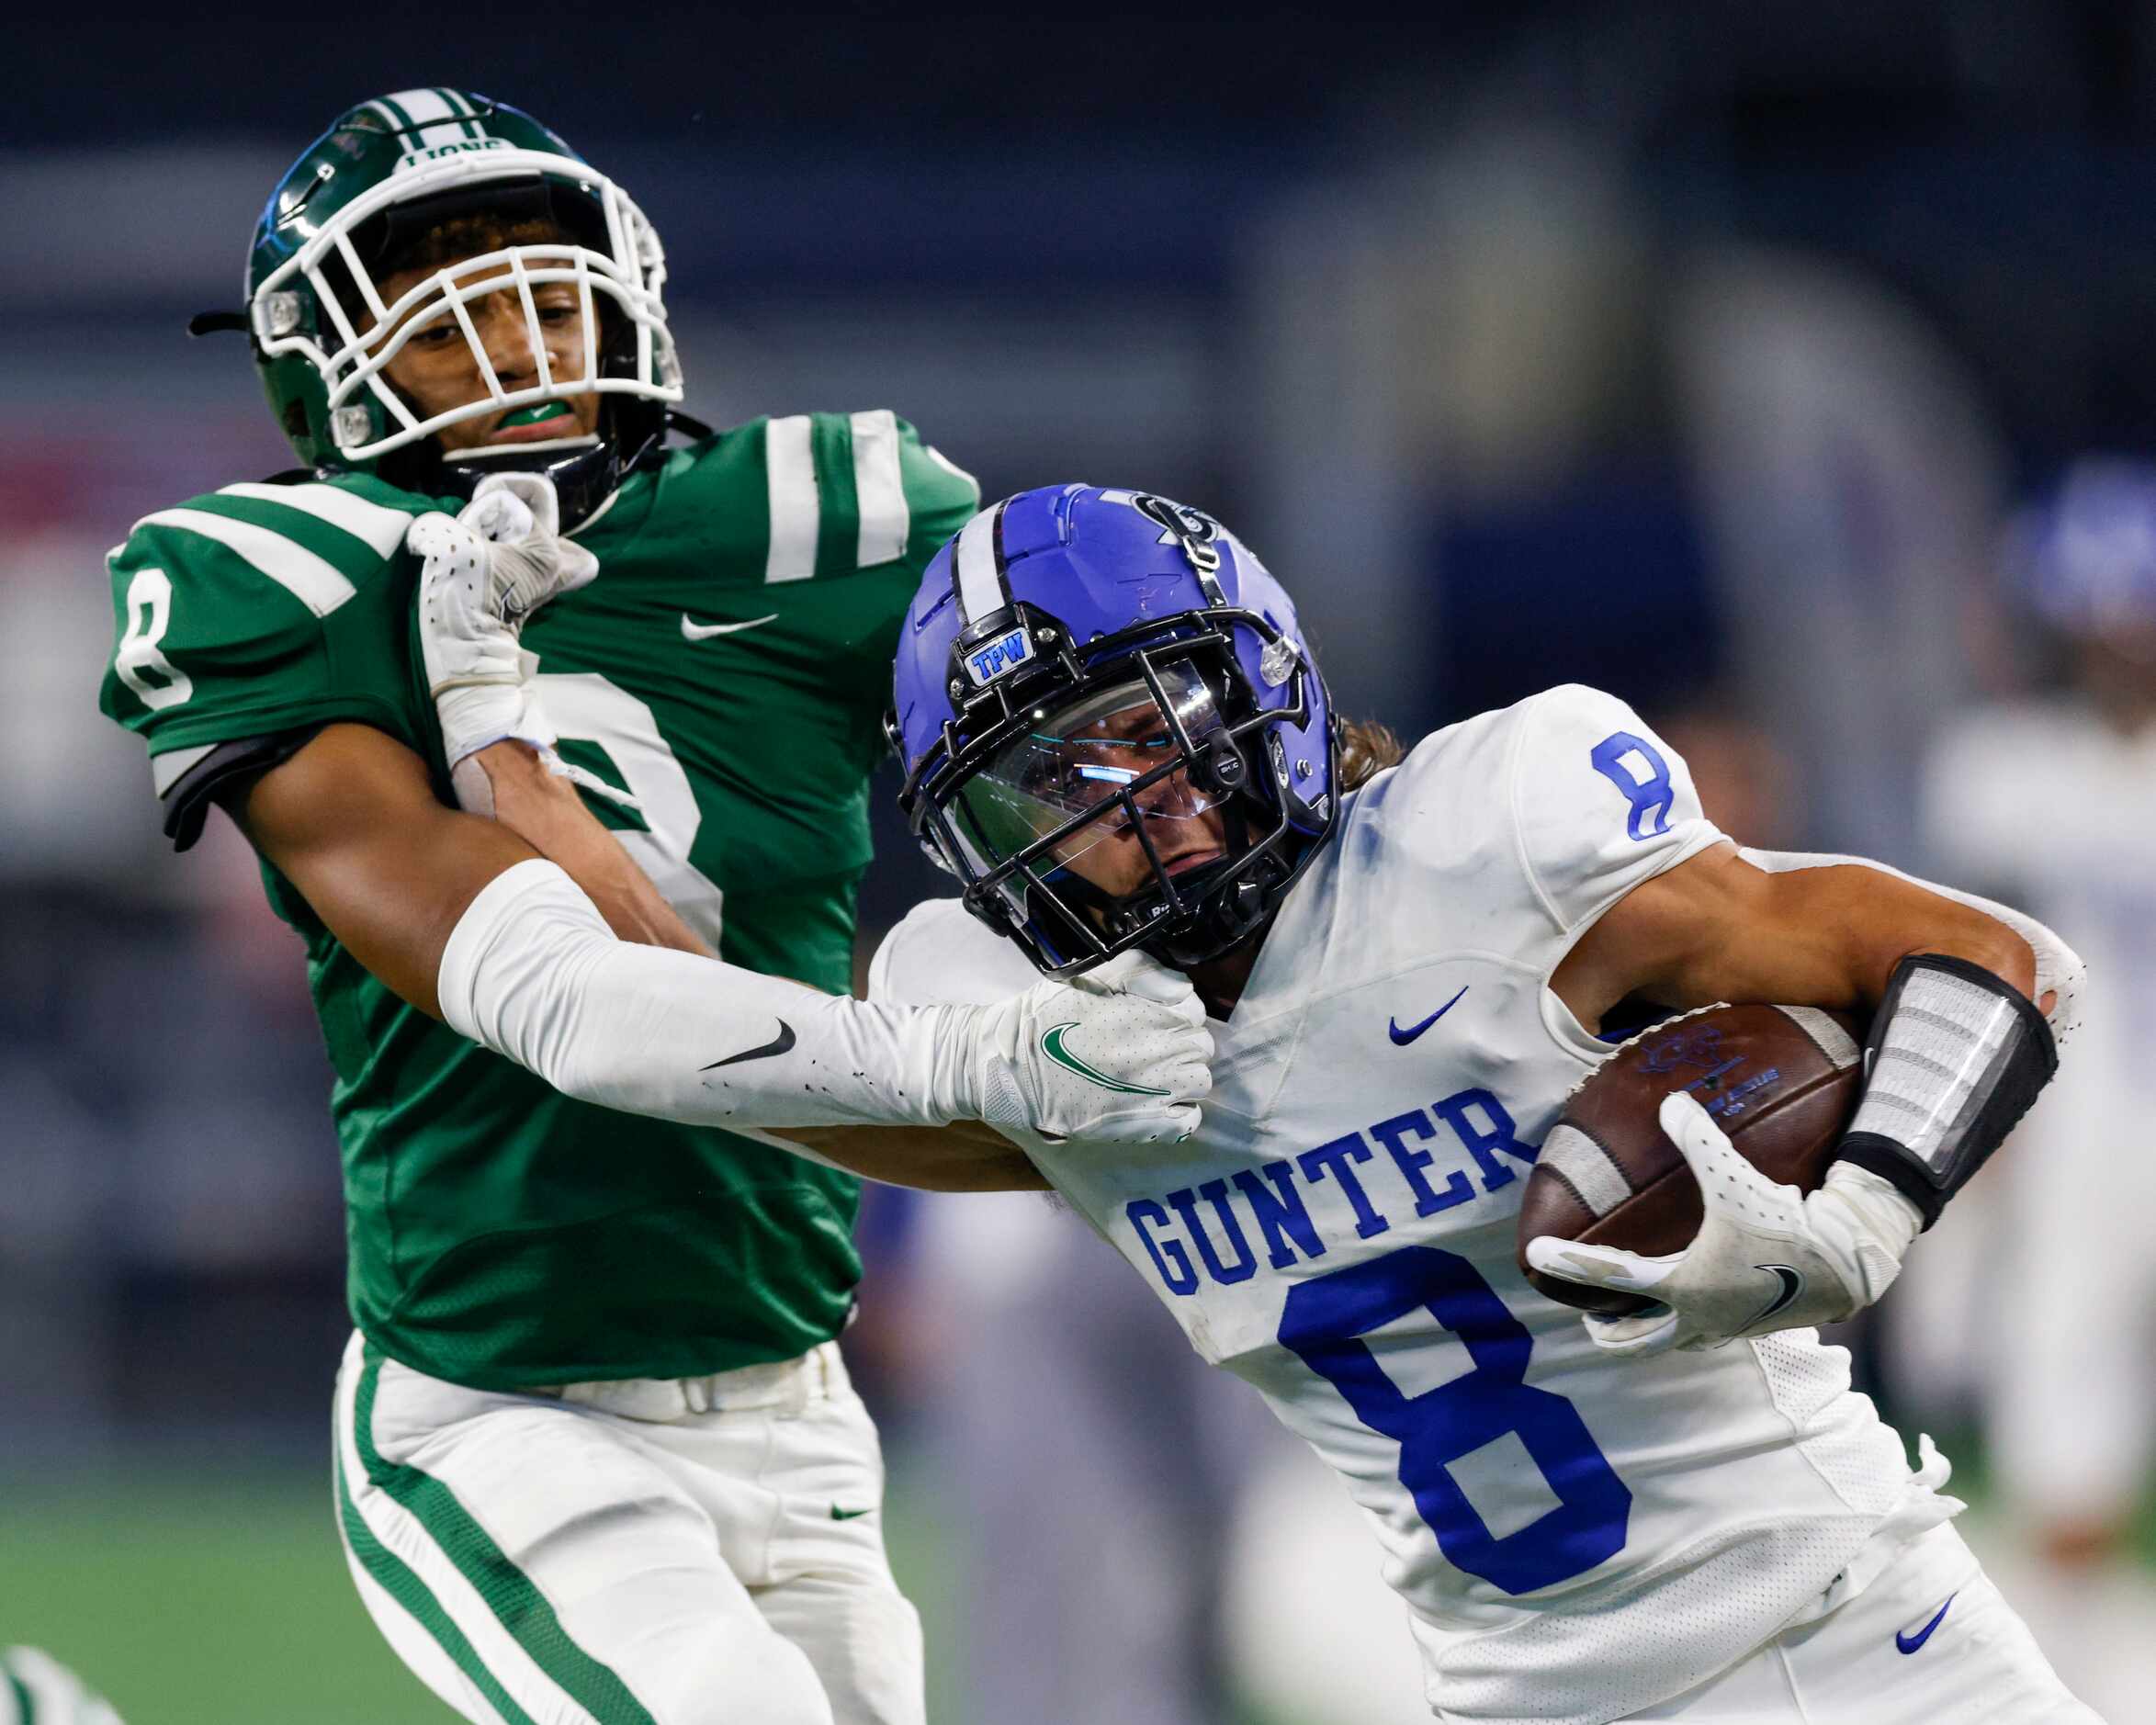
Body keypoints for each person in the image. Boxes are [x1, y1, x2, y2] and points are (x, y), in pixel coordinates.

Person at [96, 94, 1208, 1725]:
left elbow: (1116, 773)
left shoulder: (825, 515)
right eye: (447, 312)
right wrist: (975, 1069)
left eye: (543, 295)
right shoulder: (282, 576)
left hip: (799, 1391)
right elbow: (562, 995)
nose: (517, 345)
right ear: (324, 370)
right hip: (502, 1414)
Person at [872, 483, 2100, 1723]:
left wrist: (1864, 1218)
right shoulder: (1059, 1063)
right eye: (1056, 784)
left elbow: (2001, 958)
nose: (1135, 804)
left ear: (1254, 681)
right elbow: (734, 1079)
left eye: (1153, 724)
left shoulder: (1485, 842)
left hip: (1849, 1642)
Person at [1913, 457, 2156, 1714]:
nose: (2121, 652)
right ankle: (2077, 1689)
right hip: (2083, 1140)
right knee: (2067, 1446)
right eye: (2101, 628)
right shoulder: (2008, 771)